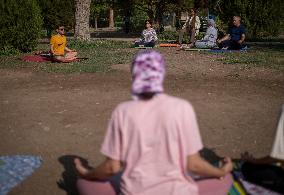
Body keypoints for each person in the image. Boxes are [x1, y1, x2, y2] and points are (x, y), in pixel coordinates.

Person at [73, 49, 233, 195]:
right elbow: (194, 165)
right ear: (161, 74)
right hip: (178, 191)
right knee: (226, 180)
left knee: (84, 183)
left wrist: (87, 173)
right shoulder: (182, 108)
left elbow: (111, 167)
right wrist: (222, 171)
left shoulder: (123, 111)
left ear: (134, 75)